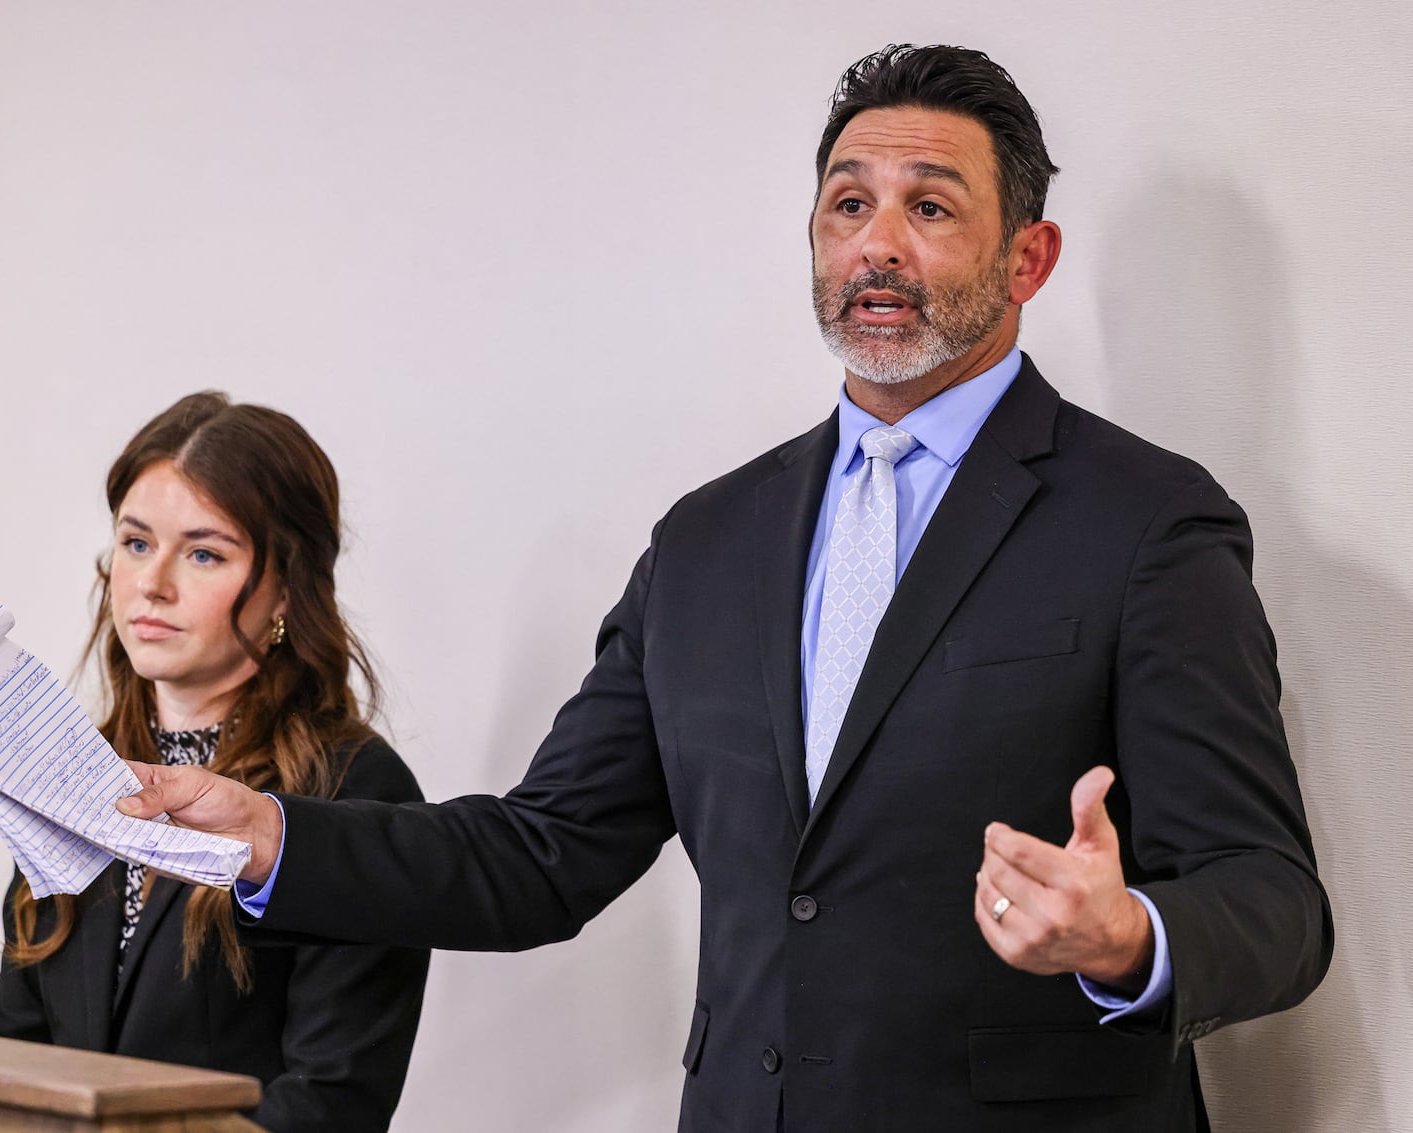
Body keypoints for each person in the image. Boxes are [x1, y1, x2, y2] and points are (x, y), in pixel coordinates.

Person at [119, 46, 1332, 1131]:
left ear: (1028, 256)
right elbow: (542, 850)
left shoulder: (1147, 522)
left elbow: (1271, 897)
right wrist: (277, 833)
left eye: (930, 208)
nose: (878, 244)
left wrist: (1129, 939)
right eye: (848, 205)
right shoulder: (708, 540)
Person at [0, 393, 428, 1133]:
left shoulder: (356, 789)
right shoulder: (71, 771)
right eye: (135, 542)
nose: (153, 583)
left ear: (286, 586)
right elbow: (20, 1047)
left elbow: (333, 1100)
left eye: (203, 552)